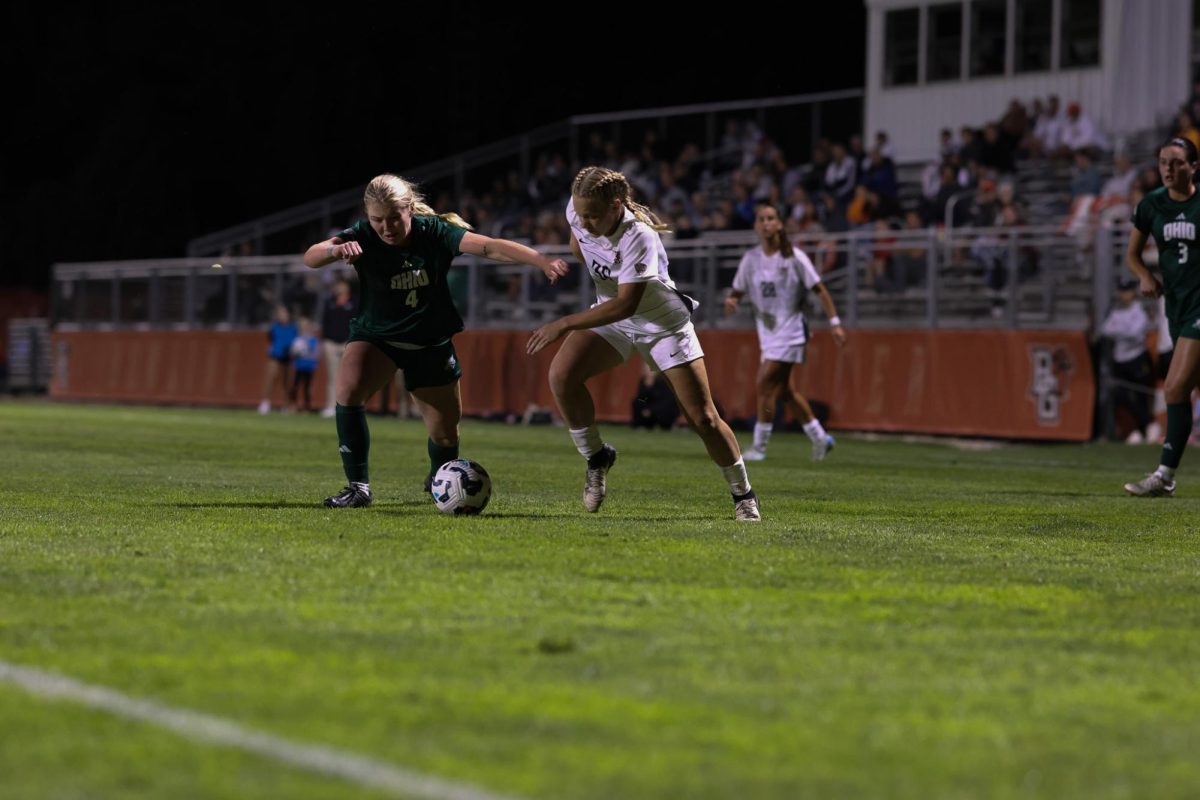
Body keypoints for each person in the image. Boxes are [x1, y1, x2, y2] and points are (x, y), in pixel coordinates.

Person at [303, 173, 568, 508]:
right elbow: (311, 257)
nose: (386, 227)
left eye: (394, 218)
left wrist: (540, 260)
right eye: (377, 220)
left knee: (445, 435)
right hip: (377, 337)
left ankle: (438, 480)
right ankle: (358, 487)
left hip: (429, 344)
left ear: (410, 209)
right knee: (348, 390)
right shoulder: (363, 235)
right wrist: (335, 249)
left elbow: (488, 246)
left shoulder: (436, 232)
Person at [526, 166, 762, 522]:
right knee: (562, 376)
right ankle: (597, 457)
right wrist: (588, 247)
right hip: (615, 318)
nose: (584, 221)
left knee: (704, 418)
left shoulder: (640, 236)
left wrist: (564, 323)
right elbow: (580, 242)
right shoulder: (577, 213)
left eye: (593, 215)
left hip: (662, 324)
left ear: (616, 206)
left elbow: (627, 303)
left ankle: (743, 494)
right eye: (580, 213)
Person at [724, 202, 847, 462]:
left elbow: (820, 289)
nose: (766, 223)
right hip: (767, 333)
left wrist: (834, 322)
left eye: (771, 218)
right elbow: (737, 291)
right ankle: (820, 438)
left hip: (791, 331)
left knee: (764, 383)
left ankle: (759, 447)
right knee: (785, 392)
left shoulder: (795, 258)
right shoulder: (751, 259)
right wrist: (732, 301)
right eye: (761, 219)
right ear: (756, 226)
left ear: (779, 224)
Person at [1123, 138, 1200, 496]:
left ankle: (1164, 475)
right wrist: (1144, 275)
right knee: (1188, 389)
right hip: (1177, 305)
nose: (1168, 169)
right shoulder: (1151, 204)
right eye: (1163, 162)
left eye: (1177, 163)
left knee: (1174, 386)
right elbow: (1133, 255)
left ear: (1193, 167)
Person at [1100, 278, 1153, 443]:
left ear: (1133, 292)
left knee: (1140, 395)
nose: (1123, 294)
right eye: (1121, 291)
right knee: (1121, 395)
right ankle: (1138, 428)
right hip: (1120, 359)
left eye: (1127, 291)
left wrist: (1118, 330)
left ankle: (1147, 428)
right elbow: (1105, 329)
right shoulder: (1117, 312)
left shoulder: (1139, 312)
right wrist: (1123, 331)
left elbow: (1135, 334)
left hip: (1137, 358)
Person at [319, 278, 356, 418]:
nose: (338, 287)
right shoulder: (330, 302)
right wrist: (326, 338)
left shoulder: (354, 302)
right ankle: (330, 406)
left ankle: (348, 407)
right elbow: (325, 322)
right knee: (332, 376)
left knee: (349, 378)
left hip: (348, 343)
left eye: (341, 285)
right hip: (331, 343)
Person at [258, 304, 297, 414]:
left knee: (287, 382)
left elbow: (296, 342)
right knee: (271, 378)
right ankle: (265, 403)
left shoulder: (293, 328)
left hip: (288, 357)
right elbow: (271, 339)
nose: (281, 316)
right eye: (279, 313)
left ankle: (286, 405)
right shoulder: (274, 327)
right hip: (275, 356)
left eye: (283, 313)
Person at [288, 317, 321, 413]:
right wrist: (295, 353)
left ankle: (307, 406)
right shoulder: (297, 340)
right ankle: (293, 405)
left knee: (307, 387)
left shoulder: (313, 340)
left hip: (309, 366)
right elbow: (293, 352)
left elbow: (315, 353)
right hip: (299, 365)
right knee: (295, 385)